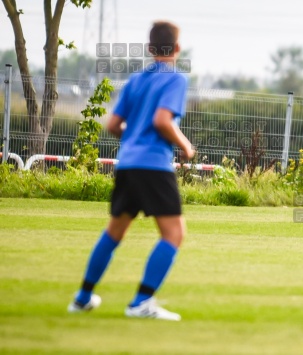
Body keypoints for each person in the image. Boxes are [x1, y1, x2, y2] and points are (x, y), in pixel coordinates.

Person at [67, 21, 194, 321]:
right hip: (153, 165)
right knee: (174, 233)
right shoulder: (175, 79)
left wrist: (134, 139)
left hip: (128, 163)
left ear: (150, 49)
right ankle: (141, 302)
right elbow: (163, 121)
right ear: (177, 48)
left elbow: (112, 125)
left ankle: (83, 298)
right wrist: (186, 146)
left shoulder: (136, 80)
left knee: (114, 232)